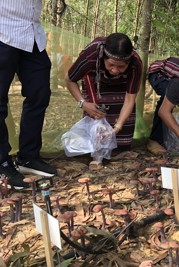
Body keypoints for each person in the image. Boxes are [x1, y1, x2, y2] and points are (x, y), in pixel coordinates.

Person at [0, 0, 58, 189]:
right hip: (3, 29)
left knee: (39, 92)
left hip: (32, 33)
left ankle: (28, 157)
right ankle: (2, 164)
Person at [65, 33, 142, 168]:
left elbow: (130, 99)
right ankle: (97, 155)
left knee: (122, 117)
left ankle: (118, 151)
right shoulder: (90, 56)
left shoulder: (136, 64)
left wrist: (117, 128)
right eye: (111, 64)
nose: (115, 70)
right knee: (96, 112)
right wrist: (83, 103)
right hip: (94, 79)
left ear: (129, 63)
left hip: (122, 85)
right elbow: (69, 80)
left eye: (121, 67)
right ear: (104, 58)